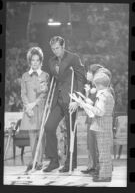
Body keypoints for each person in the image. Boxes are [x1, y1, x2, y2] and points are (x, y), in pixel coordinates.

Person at [43, 36, 86, 172]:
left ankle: (71, 163)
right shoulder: (51, 61)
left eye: (57, 48)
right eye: (53, 48)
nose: (55, 51)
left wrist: (77, 100)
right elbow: (55, 80)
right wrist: (46, 85)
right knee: (49, 127)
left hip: (71, 100)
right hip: (58, 100)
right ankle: (54, 160)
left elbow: (81, 78)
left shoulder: (73, 58)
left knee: (70, 131)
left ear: (63, 46)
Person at [78, 71, 115, 182]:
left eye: (95, 85)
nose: (95, 87)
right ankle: (104, 174)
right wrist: (90, 105)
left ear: (99, 85)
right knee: (103, 153)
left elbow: (100, 112)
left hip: (102, 127)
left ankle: (105, 176)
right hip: (102, 127)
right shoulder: (106, 94)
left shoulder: (103, 95)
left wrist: (86, 105)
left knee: (103, 154)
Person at [20, 47, 49, 173]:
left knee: (40, 136)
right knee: (32, 137)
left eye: (37, 60)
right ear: (30, 61)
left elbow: (44, 94)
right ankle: (33, 160)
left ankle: (40, 162)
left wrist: (34, 104)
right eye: (33, 60)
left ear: (41, 61)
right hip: (29, 111)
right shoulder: (25, 76)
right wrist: (28, 106)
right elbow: (23, 93)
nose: (35, 62)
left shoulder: (45, 75)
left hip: (40, 109)